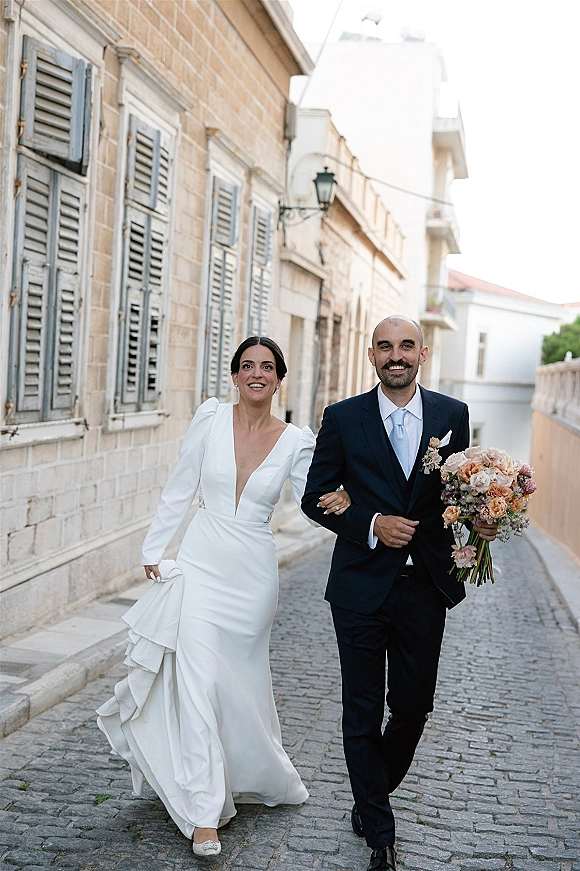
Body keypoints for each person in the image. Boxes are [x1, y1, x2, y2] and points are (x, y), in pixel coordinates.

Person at [97, 336, 350, 858]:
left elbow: (313, 502)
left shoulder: (298, 441)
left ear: (280, 378)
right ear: (234, 375)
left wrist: (347, 497)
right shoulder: (210, 418)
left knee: (239, 687)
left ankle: (254, 769)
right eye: (246, 365)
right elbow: (179, 485)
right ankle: (204, 812)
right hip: (200, 564)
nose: (256, 373)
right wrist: (153, 546)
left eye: (267, 366)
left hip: (253, 577)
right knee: (198, 682)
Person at [301, 316, 497, 871]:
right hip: (360, 587)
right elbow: (315, 496)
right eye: (385, 346)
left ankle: (371, 791)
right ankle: (379, 832)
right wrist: (370, 523)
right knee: (361, 710)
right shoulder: (342, 418)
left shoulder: (451, 416)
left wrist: (480, 521)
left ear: (423, 353)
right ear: (371, 355)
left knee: (412, 707)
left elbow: (459, 491)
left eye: (406, 346)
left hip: (424, 588)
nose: (396, 355)